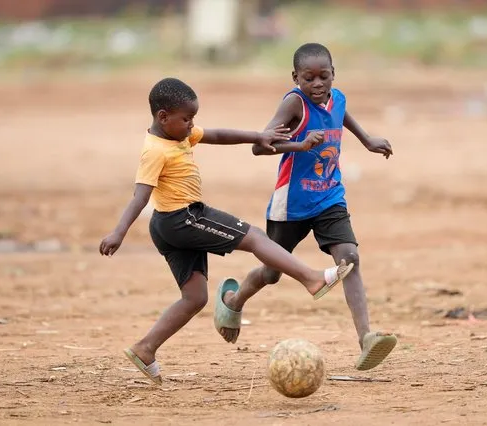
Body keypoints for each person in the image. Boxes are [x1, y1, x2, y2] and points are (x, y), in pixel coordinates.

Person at [99, 77, 354, 385]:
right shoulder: (155, 151)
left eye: (193, 118)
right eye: (186, 119)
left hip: (169, 225)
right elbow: (140, 196)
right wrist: (118, 232)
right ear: (162, 116)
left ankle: (145, 348)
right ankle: (311, 278)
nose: (192, 124)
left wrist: (258, 136)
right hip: (183, 218)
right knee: (257, 237)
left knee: (194, 298)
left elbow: (218, 134)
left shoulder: (178, 134)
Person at [214, 43, 397, 371]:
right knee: (271, 274)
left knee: (350, 259)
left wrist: (367, 140)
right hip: (291, 204)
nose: (317, 84)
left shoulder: (337, 97)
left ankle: (366, 338)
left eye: (323, 77)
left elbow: (341, 115)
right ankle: (233, 301)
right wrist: (299, 144)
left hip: (329, 197)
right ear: (295, 77)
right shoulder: (293, 105)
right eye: (308, 78)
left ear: (333, 75)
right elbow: (260, 147)